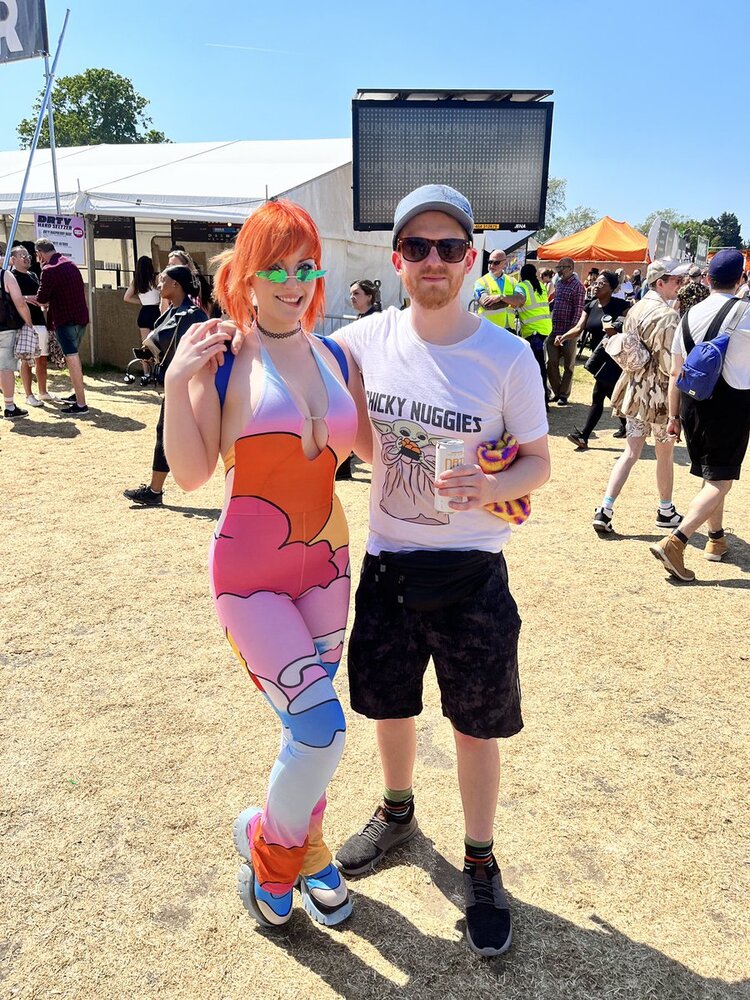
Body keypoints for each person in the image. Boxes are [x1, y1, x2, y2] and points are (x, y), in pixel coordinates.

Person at [331, 184, 550, 956]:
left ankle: (480, 860)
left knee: (475, 726)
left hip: (474, 574)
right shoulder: (364, 340)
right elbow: (299, 363)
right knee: (389, 707)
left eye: (449, 247)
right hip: (389, 564)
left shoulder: (507, 355)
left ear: (471, 260)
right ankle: (397, 813)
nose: (434, 259)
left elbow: (538, 463)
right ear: (397, 259)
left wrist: (487, 489)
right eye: (417, 246)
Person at [163, 200, 367, 930]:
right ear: (247, 276)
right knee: (321, 729)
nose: (292, 281)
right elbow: (190, 474)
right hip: (250, 580)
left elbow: (380, 451)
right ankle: (272, 851)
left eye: (305, 266)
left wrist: (476, 473)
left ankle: (303, 851)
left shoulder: (338, 356)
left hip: (329, 568)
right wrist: (175, 382)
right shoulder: (221, 358)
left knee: (304, 730)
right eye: (276, 267)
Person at [650, 249, 750, 580]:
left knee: (712, 476)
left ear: (707, 278)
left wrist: (674, 417)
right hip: (730, 405)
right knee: (721, 480)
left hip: (692, 403)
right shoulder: (746, 313)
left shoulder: (688, 315)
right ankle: (676, 541)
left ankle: (716, 538)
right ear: (741, 278)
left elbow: (675, 373)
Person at [592, 258, 690, 534]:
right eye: (676, 280)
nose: (680, 285)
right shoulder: (668, 316)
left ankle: (605, 508)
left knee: (631, 452)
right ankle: (665, 510)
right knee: (664, 454)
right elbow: (670, 366)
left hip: (635, 390)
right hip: (660, 395)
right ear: (660, 283)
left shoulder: (636, 309)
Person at [122, 266, 208, 506]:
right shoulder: (172, 312)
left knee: (203, 437)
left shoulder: (193, 315)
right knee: (164, 432)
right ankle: (154, 490)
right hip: (177, 385)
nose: (159, 285)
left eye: (163, 280)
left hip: (192, 386)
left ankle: (155, 491)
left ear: (176, 284)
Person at [558, 271, 630, 448]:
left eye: (602, 283)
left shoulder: (621, 305)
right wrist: (564, 336)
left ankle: (583, 436)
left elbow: (630, 328)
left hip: (614, 358)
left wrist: (616, 329)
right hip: (599, 357)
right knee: (611, 393)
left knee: (598, 394)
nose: (596, 286)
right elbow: (579, 328)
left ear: (612, 288)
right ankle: (628, 425)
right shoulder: (590, 306)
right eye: (595, 282)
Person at [33, 238, 90, 415]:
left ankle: (81, 404)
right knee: (75, 358)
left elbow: (41, 298)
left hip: (64, 321)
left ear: (40, 253)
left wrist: (25, 298)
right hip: (81, 319)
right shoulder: (71, 264)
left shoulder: (49, 270)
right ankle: (77, 395)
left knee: (72, 359)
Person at [9, 244, 53, 406]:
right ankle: (29, 395)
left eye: (28, 255)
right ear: (13, 259)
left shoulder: (34, 275)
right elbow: (9, 299)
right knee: (26, 360)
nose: (27, 258)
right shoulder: (10, 277)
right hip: (24, 324)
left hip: (40, 322)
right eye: (22, 256)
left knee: (42, 359)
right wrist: (26, 298)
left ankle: (43, 392)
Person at [547, 257, 586, 405]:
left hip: (568, 332)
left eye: (562, 268)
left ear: (570, 268)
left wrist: (569, 333)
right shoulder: (559, 284)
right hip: (554, 329)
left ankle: (563, 395)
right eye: (558, 267)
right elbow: (556, 302)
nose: (559, 271)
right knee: (551, 362)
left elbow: (578, 311)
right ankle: (557, 392)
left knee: (568, 365)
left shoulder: (578, 286)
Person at [0, 262, 33, 418]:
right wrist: (29, 323)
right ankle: (9, 406)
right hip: (5, 328)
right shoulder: (5, 275)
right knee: (6, 368)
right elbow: (19, 303)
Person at [515, 262, 551, 402]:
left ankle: (542, 399)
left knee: (537, 365)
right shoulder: (540, 285)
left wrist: (502, 298)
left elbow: (518, 301)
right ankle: (544, 397)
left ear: (522, 274)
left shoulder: (522, 286)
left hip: (533, 331)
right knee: (540, 364)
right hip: (544, 328)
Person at [124, 256, 161, 378]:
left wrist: (141, 302)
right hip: (156, 311)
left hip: (144, 312)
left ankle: (146, 373)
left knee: (145, 344)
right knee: (157, 343)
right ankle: (157, 371)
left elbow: (126, 297)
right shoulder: (156, 278)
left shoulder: (137, 281)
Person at [472, 249, 524, 331]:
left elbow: (521, 301)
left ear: (504, 263)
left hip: (509, 329)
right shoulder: (480, 282)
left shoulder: (513, 281)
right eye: (490, 262)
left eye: (496, 263)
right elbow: (487, 305)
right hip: (488, 329)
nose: (491, 265)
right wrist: (511, 301)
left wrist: (501, 297)